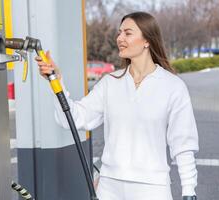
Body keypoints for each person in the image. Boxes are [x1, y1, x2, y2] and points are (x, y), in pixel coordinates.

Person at [36, 11, 199, 200]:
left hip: (152, 188)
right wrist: (56, 80)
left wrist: (189, 191)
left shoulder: (172, 86)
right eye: (119, 32)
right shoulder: (110, 83)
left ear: (147, 41)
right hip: (109, 187)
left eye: (128, 33)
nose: (120, 38)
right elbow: (73, 119)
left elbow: (183, 144)